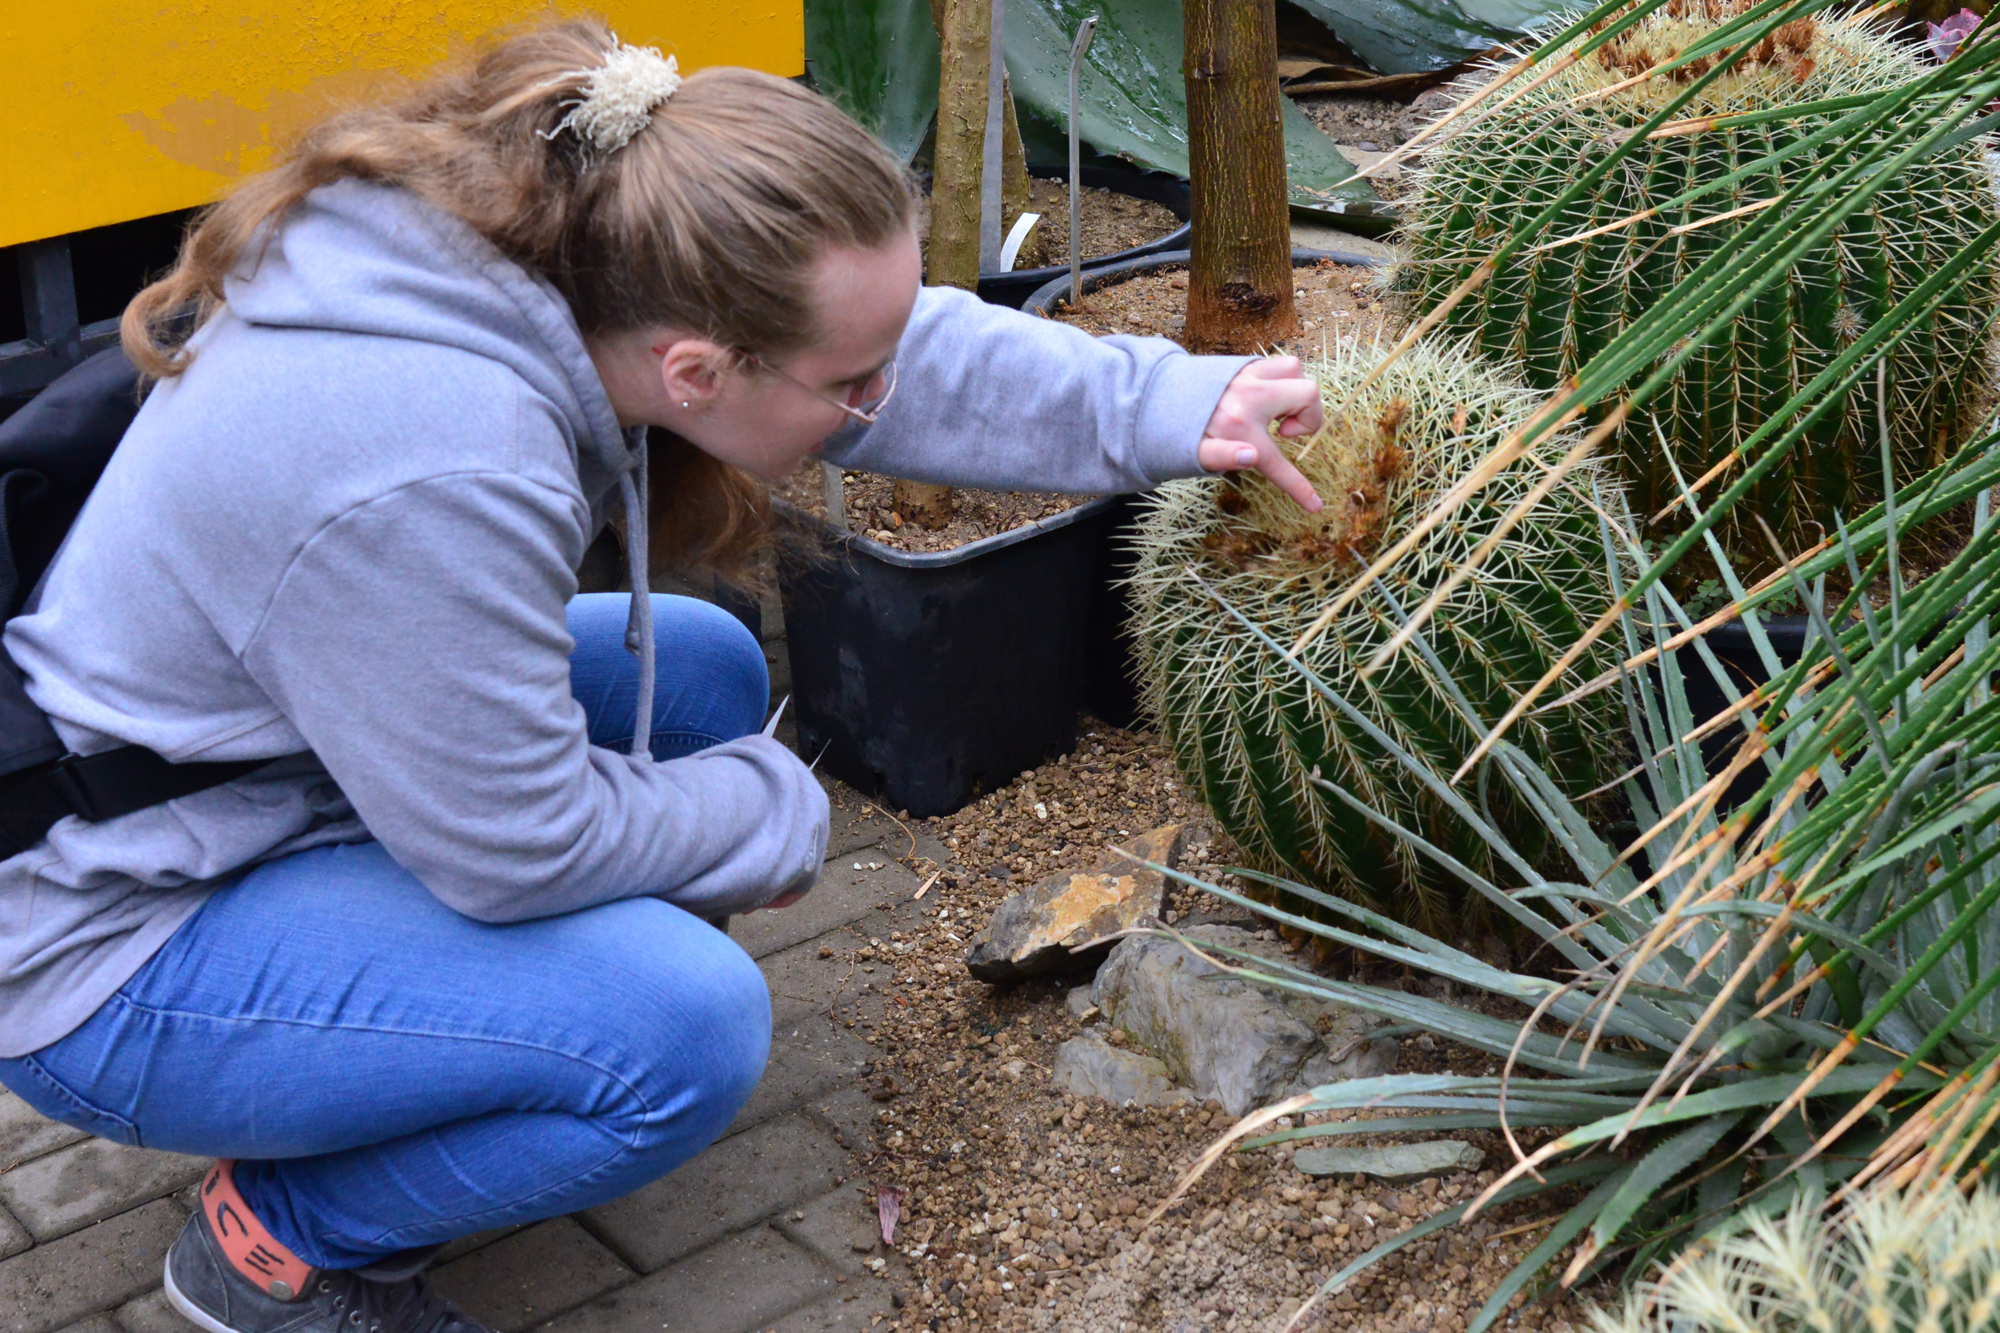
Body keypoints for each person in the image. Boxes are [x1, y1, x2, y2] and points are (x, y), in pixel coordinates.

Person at [0, 20, 1324, 1333]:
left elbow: (883, 348)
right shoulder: (440, 460)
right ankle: (282, 1243)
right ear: (697, 369)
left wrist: (1175, 406)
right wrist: (765, 813)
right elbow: (514, 844)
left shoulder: (571, 243)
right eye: (848, 387)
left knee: (694, 667)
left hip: (262, 777)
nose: (876, 397)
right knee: (684, 1031)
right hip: (106, 935)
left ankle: (488, 1039)